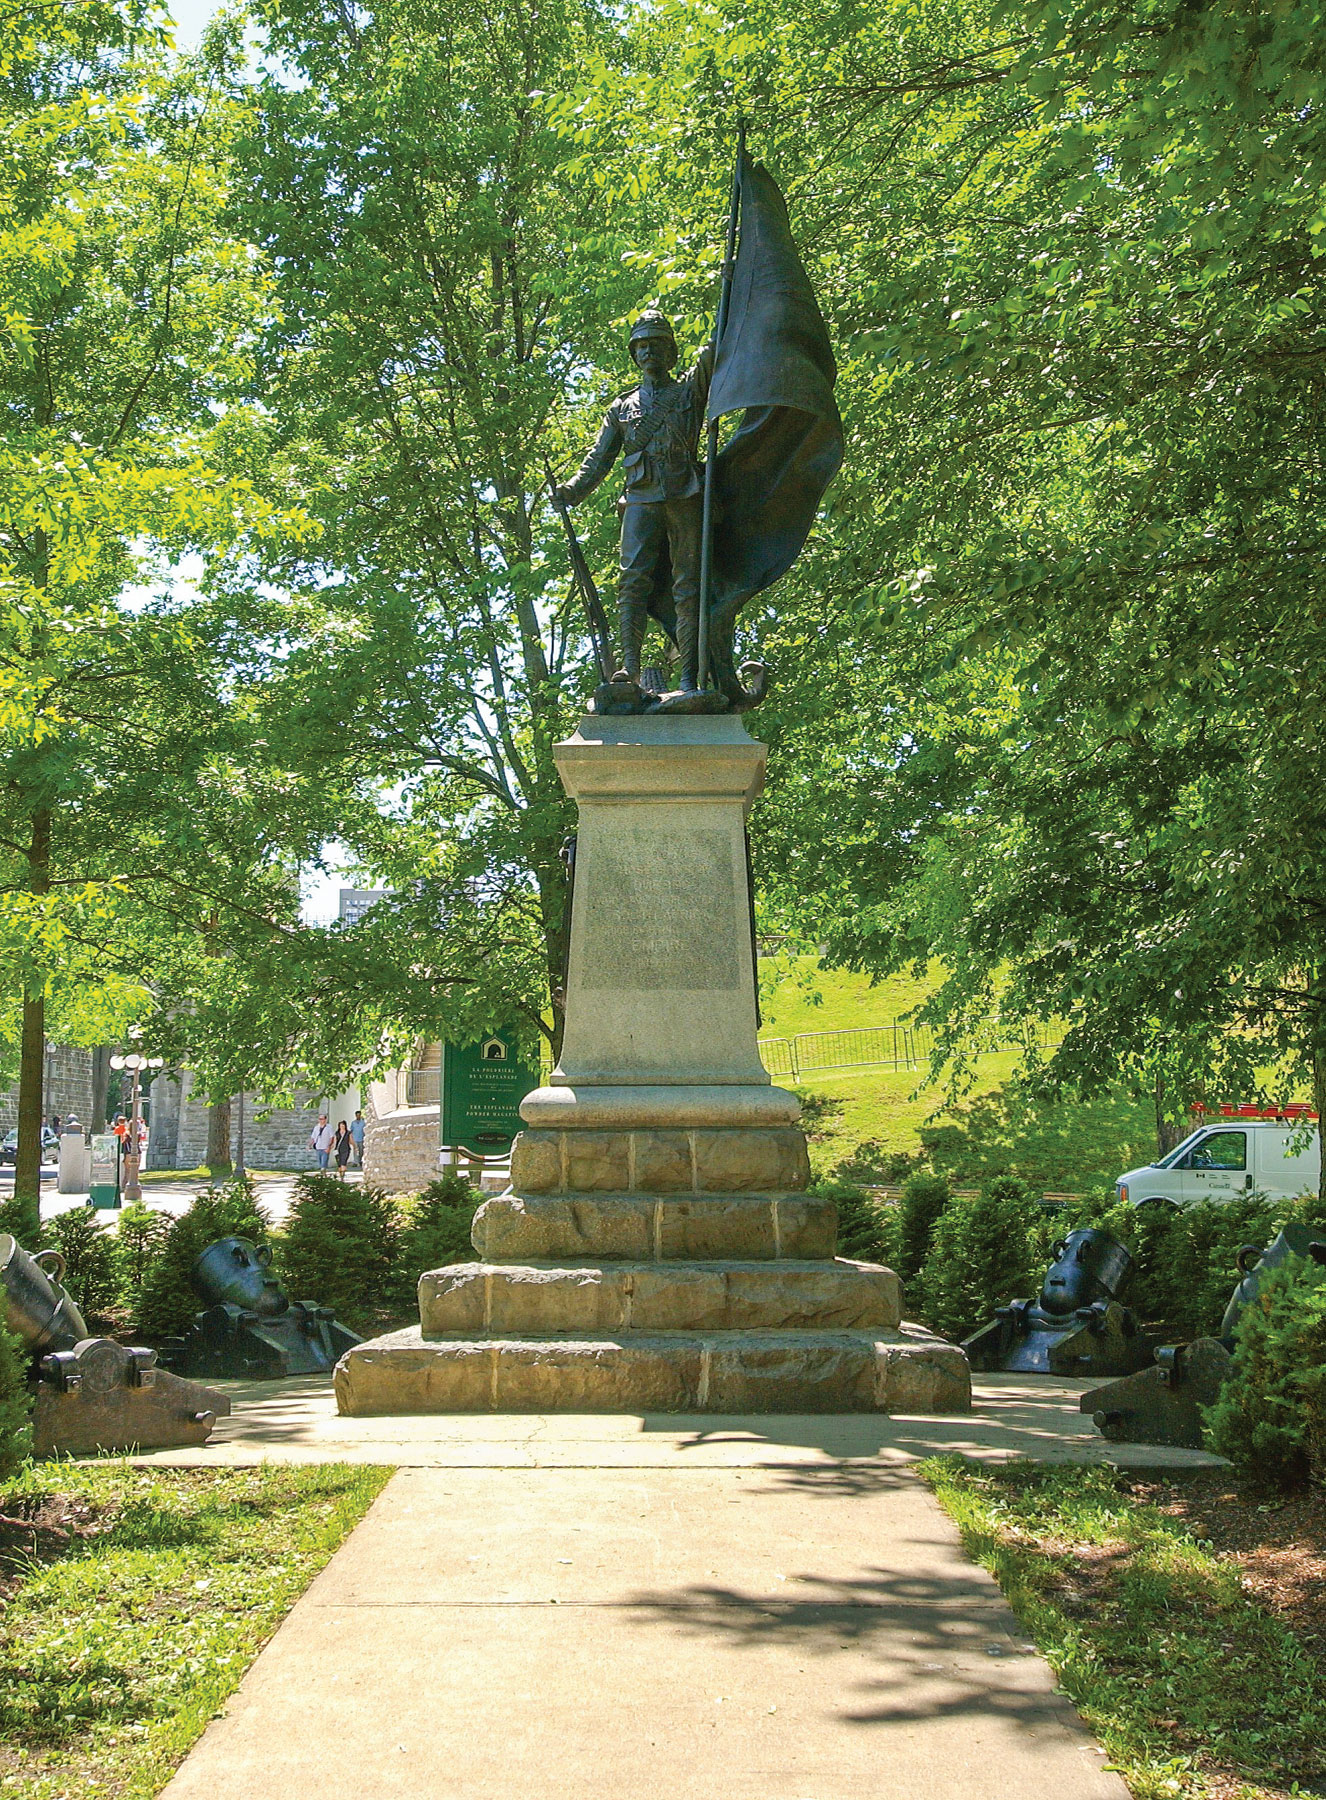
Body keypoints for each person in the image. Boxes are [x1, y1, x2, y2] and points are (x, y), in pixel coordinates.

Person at [556, 310, 712, 700]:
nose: (646, 352)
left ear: (670, 351)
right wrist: (573, 490)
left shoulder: (691, 392)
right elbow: (599, 459)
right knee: (631, 582)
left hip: (684, 495)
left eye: (654, 344)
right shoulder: (621, 408)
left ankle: (690, 676)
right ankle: (629, 669)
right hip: (640, 497)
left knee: (689, 586)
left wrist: (732, 281)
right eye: (640, 346)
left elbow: (716, 350)